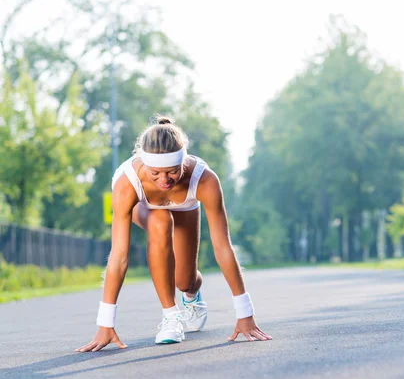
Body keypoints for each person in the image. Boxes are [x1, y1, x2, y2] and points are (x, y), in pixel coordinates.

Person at [76, 115, 272, 352]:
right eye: (155, 173)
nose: (164, 180)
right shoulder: (127, 182)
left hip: (185, 206)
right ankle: (171, 316)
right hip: (146, 208)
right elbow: (119, 255)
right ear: (143, 163)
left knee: (184, 280)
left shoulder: (204, 180)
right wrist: (105, 322)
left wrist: (245, 312)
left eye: (171, 171)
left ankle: (192, 294)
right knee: (160, 220)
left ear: (184, 162)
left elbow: (223, 246)